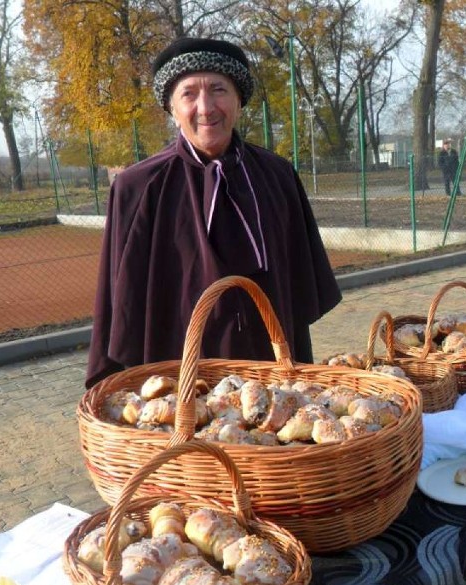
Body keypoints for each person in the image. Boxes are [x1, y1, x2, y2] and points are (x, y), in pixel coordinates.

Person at [86, 37, 342, 388]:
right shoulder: (137, 188)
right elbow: (119, 302)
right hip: (179, 382)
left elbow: (300, 284)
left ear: (239, 101)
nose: (205, 108)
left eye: (219, 90)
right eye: (189, 94)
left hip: (272, 375)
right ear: (172, 109)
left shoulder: (277, 176)